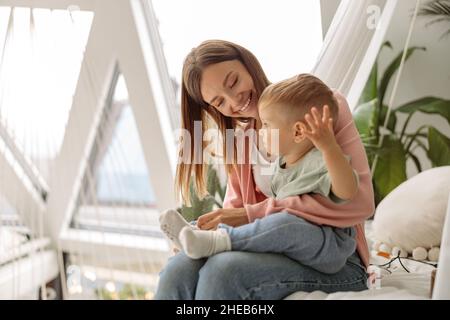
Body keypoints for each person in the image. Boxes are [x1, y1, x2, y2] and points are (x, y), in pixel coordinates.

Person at [155, 40, 375, 300]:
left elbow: (360, 203)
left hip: (336, 257)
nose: (233, 100)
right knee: (177, 269)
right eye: (219, 101)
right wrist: (208, 229)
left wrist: (251, 214)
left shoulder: (317, 110)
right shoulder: (241, 142)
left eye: (233, 81)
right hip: (274, 249)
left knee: (223, 272)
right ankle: (194, 232)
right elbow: (234, 213)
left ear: (247, 63)